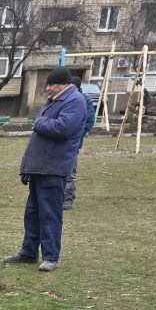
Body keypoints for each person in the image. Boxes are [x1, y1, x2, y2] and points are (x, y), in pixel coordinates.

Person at [2, 66, 86, 274]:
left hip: (53, 167)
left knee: (50, 214)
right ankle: (28, 252)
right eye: (48, 84)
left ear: (64, 84)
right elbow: (37, 139)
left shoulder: (75, 101)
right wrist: (27, 166)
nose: (48, 88)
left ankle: (50, 256)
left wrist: (39, 122)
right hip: (40, 166)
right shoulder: (54, 101)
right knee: (32, 213)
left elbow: (62, 128)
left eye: (52, 84)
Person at [63, 76, 96, 210]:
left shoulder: (84, 100)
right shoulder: (63, 99)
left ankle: (68, 198)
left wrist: (77, 134)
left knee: (70, 171)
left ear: (76, 87)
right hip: (59, 142)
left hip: (73, 144)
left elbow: (89, 121)